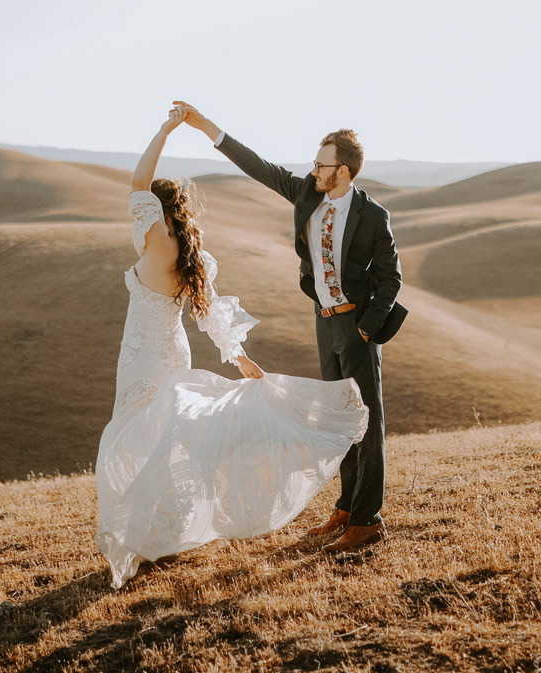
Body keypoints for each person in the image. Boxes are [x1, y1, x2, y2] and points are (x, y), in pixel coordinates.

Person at [94, 106, 369, 588]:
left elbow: (138, 181)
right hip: (175, 350)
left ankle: (140, 535)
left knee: (130, 438)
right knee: (169, 439)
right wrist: (239, 357)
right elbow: (210, 313)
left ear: (155, 212)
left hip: (141, 355)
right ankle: (165, 531)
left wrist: (165, 129)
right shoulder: (190, 257)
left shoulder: (151, 239)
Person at [173, 102, 405, 554]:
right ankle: (346, 506)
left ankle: (367, 520)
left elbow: (391, 278)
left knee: (367, 421)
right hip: (324, 325)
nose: (313, 170)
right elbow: (259, 167)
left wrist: (366, 328)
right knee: (338, 418)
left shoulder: (373, 216)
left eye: (322, 165)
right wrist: (207, 128)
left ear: (344, 171)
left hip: (356, 328)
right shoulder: (306, 194)